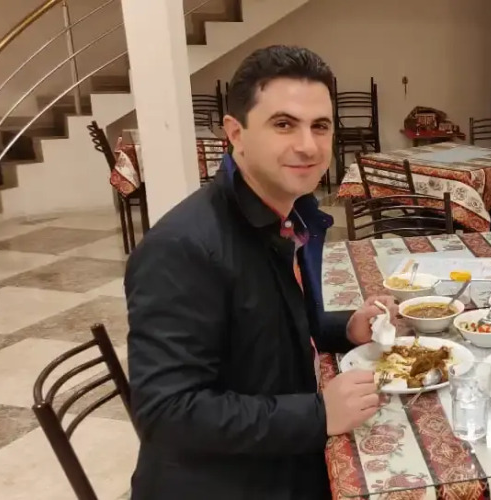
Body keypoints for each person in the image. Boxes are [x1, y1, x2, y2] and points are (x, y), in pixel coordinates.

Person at [124, 45, 398, 499]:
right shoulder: (182, 248)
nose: (308, 145)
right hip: (226, 483)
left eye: (320, 126)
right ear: (236, 133)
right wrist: (318, 415)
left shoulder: (292, 216)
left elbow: (269, 326)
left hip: (279, 457)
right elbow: (166, 412)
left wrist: (346, 327)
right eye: (284, 124)